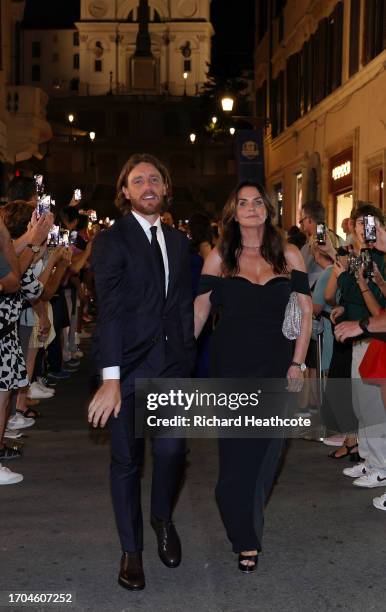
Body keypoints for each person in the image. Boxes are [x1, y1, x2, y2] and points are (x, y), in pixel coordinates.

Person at [88, 153, 195, 591]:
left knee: (172, 453)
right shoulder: (111, 243)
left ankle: (162, 517)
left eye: (155, 178)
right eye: (138, 180)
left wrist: (188, 355)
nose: (147, 185)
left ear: (166, 189)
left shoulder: (180, 242)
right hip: (126, 370)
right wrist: (111, 379)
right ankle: (131, 551)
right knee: (126, 463)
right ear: (126, 192)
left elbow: (183, 306)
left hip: (171, 369)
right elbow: (109, 313)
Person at [194, 180, 312, 574]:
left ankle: (248, 538)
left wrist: (298, 363)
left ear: (267, 210)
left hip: (278, 367)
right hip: (232, 369)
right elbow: (198, 316)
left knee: (266, 458)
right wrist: (173, 359)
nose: (250, 207)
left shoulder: (290, 255)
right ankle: (242, 524)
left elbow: (306, 314)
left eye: (257, 202)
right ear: (233, 212)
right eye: (242, 202)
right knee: (234, 468)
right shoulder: (219, 259)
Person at [334, 222, 386, 512]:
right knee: (367, 408)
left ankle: (379, 465)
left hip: (375, 337)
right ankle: (373, 462)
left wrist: (361, 325)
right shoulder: (370, 258)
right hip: (375, 338)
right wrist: (373, 283)